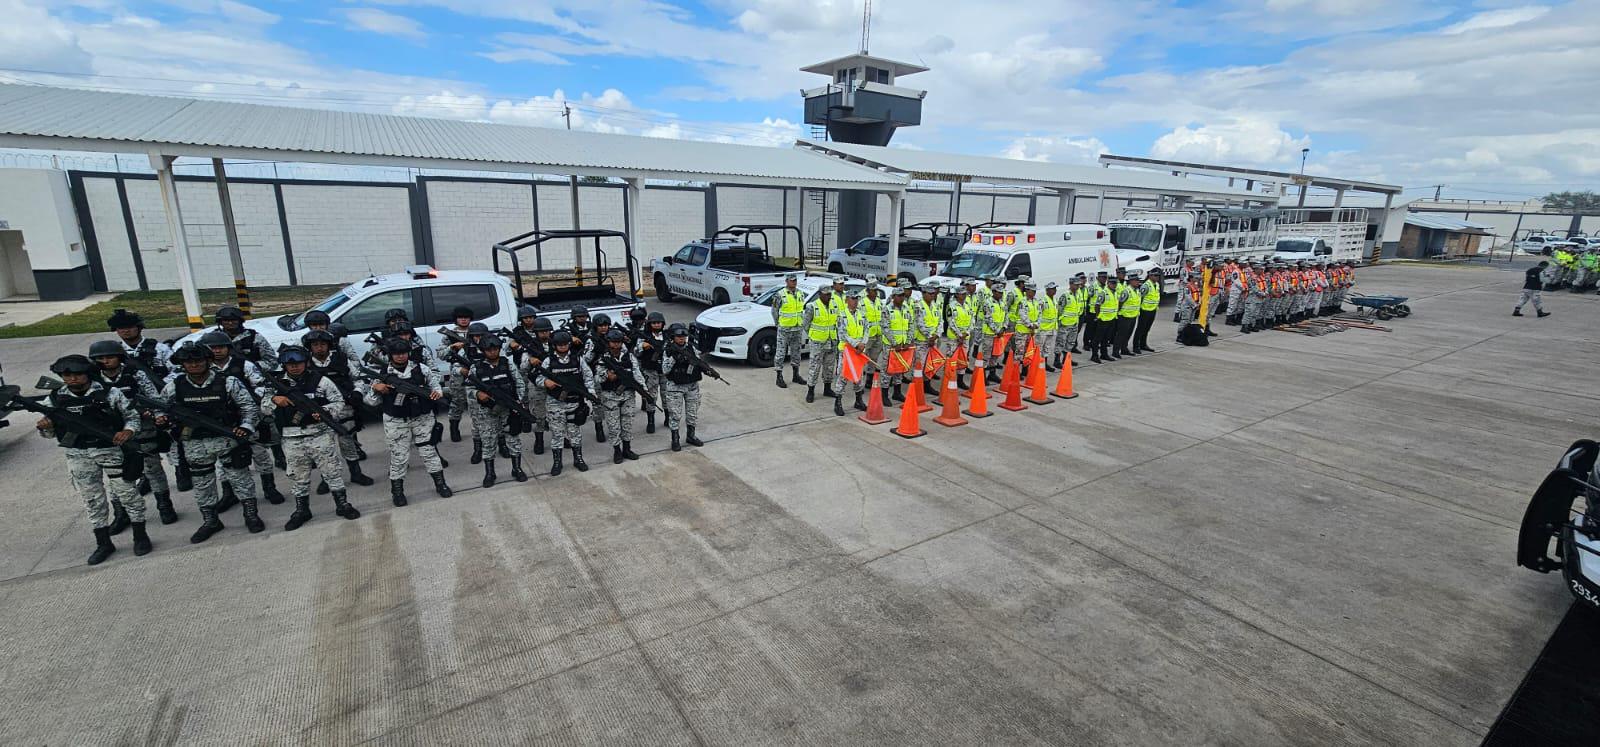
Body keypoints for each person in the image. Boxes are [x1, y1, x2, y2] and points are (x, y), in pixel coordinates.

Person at [39, 354, 147, 563]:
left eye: (77, 374)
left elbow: (132, 417)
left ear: (87, 373)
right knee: (92, 499)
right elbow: (51, 433)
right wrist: (45, 427)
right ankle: (103, 543)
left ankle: (140, 536)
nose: (72, 379)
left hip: (111, 450)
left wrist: (128, 432)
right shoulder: (54, 399)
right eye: (67, 375)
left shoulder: (109, 393)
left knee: (128, 494)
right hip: (78, 454)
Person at [158, 343, 260, 543]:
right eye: (189, 362)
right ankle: (211, 520)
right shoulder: (174, 386)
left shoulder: (228, 382)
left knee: (240, 478)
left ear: (208, 361)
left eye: (198, 361)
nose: (194, 365)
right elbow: (160, 409)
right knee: (202, 485)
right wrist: (162, 420)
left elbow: (249, 407)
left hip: (227, 439)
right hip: (194, 444)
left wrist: (246, 427)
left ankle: (251, 514)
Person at [262, 345, 360, 531]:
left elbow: (338, 401)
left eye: (298, 363)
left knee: (332, 471)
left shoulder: (321, 381)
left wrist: (325, 411)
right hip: (292, 437)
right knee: (298, 476)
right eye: (289, 364)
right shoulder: (275, 384)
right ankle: (302, 510)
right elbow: (264, 407)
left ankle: (342, 504)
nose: (294, 367)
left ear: (305, 362)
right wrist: (275, 400)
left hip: (319, 433)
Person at [88, 339, 176, 527]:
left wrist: (158, 416)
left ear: (119, 357)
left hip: (143, 427)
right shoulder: (93, 379)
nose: (106, 361)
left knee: (153, 468)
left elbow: (154, 398)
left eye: (110, 357)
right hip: (112, 431)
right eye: (101, 358)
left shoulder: (135, 375)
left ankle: (164, 504)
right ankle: (121, 512)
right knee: (117, 473)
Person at [364, 338, 451, 505]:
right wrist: (377, 389)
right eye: (396, 354)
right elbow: (370, 401)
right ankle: (397, 492)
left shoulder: (421, 369)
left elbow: (436, 386)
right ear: (390, 355)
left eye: (403, 353)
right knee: (399, 457)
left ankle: (441, 484)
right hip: (396, 421)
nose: (401, 356)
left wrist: (437, 394)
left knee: (429, 453)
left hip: (422, 418)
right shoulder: (382, 373)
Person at [467, 335, 528, 485]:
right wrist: (477, 393)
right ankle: (490, 473)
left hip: (508, 409)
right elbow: (468, 388)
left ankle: (517, 468)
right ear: (483, 351)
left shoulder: (507, 364)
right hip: (487, 411)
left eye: (495, 349)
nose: (493, 352)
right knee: (488, 442)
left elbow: (519, 383)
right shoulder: (476, 368)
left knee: (513, 438)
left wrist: (518, 401)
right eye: (489, 350)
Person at [534, 330, 594, 475]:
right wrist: (545, 382)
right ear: (554, 346)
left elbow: (588, 377)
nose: (562, 347)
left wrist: (591, 393)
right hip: (555, 403)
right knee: (557, 434)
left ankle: (578, 459)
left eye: (565, 344)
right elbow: (538, 378)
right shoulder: (549, 361)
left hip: (574, 402)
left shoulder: (578, 359)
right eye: (559, 345)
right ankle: (557, 462)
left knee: (575, 433)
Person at [594, 329, 645, 464]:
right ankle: (617, 450)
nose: (616, 345)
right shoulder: (603, 358)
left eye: (618, 342)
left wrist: (643, 390)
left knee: (627, 423)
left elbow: (637, 373)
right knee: (613, 425)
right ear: (609, 342)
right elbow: (597, 378)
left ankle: (627, 449)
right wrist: (607, 376)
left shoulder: (629, 356)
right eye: (613, 342)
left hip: (628, 395)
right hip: (610, 396)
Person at [514, 316, 555, 454]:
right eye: (541, 331)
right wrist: (531, 361)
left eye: (547, 331)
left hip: (555, 381)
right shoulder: (530, 346)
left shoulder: (556, 343)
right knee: (539, 414)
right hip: (537, 383)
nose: (545, 334)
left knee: (559, 413)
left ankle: (562, 437)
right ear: (536, 333)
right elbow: (522, 367)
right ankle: (539, 439)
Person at [661, 324, 705, 451]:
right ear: (673, 337)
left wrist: (706, 369)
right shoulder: (668, 350)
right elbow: (665, 370)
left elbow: (698, 361)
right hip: (675, 387)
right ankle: (675, 439)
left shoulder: (691, 348)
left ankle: (691, 436)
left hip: (691, 386)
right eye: (679, 337)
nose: (682, 339)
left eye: (684, 337)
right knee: (675, 414)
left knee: (692, 413)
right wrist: (675, 358)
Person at [436, 306, 476, 445]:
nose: (464, 320)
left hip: (475, 370)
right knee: (457, 401)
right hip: (457, 373)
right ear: (456, 319)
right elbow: (440, 354)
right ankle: (454, 428)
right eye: (460, 317)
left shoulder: (476, 330)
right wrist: (452, 348)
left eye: (466, 317)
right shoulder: (449, 334)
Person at [107, 308, 173, 382]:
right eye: (121, 327)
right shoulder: (114, 352)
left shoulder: (160, 349)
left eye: (130, 327)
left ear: (139, 328)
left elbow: (177, 371)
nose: (126, 331)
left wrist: (163, 385)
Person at [833, 290, 871, 415]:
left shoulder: (862, 314)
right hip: (846, 351)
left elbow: (867, 329)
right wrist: (856, 344)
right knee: (843, 376)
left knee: (859, 376)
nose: (855, 301)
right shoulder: (842, 315)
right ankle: (838, 403)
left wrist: (863, 343)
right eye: (852, 299)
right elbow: (842, 334)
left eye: (856, 299)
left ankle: (858, 400)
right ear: (847, 300)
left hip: (859, 351)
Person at [801, 284, 839, 404]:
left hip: (831, 341)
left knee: (829, 366)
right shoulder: (812, 306)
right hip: (818, 342)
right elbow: (805, 324)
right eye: (826, 294)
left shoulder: (834, 305)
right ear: (820, 294)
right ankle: (811, 391)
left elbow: (837, 322)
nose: (828, 296)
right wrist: (813, 335)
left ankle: (827, 388)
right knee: (814, 367)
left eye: (829, 294)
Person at [632, 312, 668, 435]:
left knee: (667, 395)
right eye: (654, 323)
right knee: (651, 396)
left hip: (665, 371)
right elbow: (636, 352)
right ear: (649, 324)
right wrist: (643, 346)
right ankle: (651, 421)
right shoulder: (644, 336)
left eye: (659, 323)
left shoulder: (667, 335)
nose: (657, 325)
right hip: (650, 370)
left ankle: (668, 418)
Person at [210, 306, 278, 371]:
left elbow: (272, 363)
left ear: (240, 321)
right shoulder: (211, 338)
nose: (230, 323)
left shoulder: (254, 337)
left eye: (233, 320)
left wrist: (248, 366)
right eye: (226, 320)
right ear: (220, 322)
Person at [583, 314, 617, 444]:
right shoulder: (591, 340)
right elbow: (585, 360)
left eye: (605, 325)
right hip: (596, 374)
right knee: (597, 403)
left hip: (611, 373)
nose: (603, 328)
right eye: (600, 326)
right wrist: (594, 352)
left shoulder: (613, 337)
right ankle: (599, 427)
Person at [771, 273, 807, 388]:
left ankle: (796, 375)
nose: (794, 282)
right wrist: (778, 324)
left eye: (795, 280)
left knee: (796, 352)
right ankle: (779, 376)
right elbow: (774, 311)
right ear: (786, 281)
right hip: (785, 329)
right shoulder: (780, 295)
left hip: (797, 328)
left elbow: (802, 310)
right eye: (791, 280)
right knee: (781, 353)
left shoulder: (800, 293)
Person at [1056, 274, 1086, 367]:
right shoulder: (1065, 295)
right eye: (1076, 285)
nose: (1077, 287)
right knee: (1060, 342)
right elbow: (1059, 310)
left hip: (1074, 323)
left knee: (1070, 343)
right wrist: (1060, 321)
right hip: (1065, 324)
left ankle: (1066, 359)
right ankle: (1057, 361)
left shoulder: (1078, 295)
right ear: (1071, 284)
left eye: (1078, 285)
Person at [1093, 276, 1120, 363]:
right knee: (1097, 339)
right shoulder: (1103, 293)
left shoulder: (1114, 293)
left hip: (1111, 319)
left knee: (1106, 339)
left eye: (1115, 284)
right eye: (1112, 283)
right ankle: (1094, 355)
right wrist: (1098, 316)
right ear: (1108, 283)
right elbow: (1097, 305)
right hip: (1103, 319)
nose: (1114, 285)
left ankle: (1104, 354)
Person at [1133, 268, 1161, 354]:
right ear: (1150, 276)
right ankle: (1136, 346)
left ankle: (1143, 344)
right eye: (1155, 276)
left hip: (1153, 309)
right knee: (1140, 328)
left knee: (1147, 329)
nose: (1157, 277)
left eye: (1158, 276)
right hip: (1145, 310)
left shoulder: (1156, 284)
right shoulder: (1146, 285)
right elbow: (1140, 298)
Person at [1114, 272, 1140, 357]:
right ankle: (1116, 351)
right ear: (1131, 281)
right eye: (1136, 281)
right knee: (1120, 335)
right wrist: (1119, 313)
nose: (1137, 282)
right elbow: (1120, 303)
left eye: (1138, 280)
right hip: (1124, 316)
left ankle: (1124, 349)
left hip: (1133, 316)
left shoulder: (1137, 291)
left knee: (1128, 334)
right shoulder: (1126, 291)